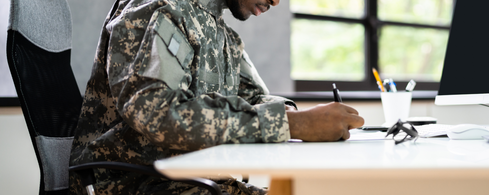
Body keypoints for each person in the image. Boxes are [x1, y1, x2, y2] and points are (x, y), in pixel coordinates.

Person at [69, 0, 365, 194]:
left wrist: (307, 119)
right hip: (132, 184)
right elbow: (156, 113)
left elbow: (255, 99)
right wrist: (292, 125)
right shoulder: (161, 8)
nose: (277, 1)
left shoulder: (220, 33)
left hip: (194, 182)